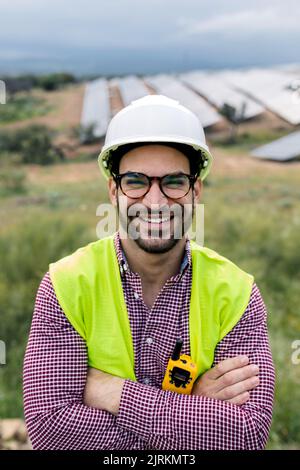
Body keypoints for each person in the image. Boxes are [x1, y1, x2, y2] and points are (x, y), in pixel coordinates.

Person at [23, 95, 275, 450]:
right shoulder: (66, 285)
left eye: (173, 182)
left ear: (195, 190)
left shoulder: (236, 293)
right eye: (136, 181)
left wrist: (113, 392)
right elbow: (50, 432)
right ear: (114, 190)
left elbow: (247, 435)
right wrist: (194, 408)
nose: (155, 202)